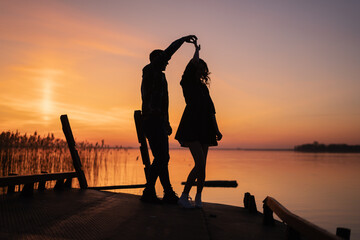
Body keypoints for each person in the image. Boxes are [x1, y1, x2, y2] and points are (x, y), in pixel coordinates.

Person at [141, 35, 197, 203]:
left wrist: (166, 122)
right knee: (163, 157)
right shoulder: (150, 70)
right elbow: (169, 52)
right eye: (163, 60)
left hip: (158, 122)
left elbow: (163, 102)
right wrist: (183, 39)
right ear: (156, 60)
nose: (167, 63)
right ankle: (150, 191)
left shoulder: (160, 76)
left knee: (162, 157)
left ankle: (166, 193)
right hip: (151, 121)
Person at [175, 41, 222, 208]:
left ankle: (199, 197)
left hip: (206, 127)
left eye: (204, 68)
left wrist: (216, 129)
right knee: (200, 164)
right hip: (191, 125)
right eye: (200, 67)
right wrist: (196, 50)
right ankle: (184, 196)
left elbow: (211, 110)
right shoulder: (187, 82)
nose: (202, 70)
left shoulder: (204, 88)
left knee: (203, 167)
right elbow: (192, 64)